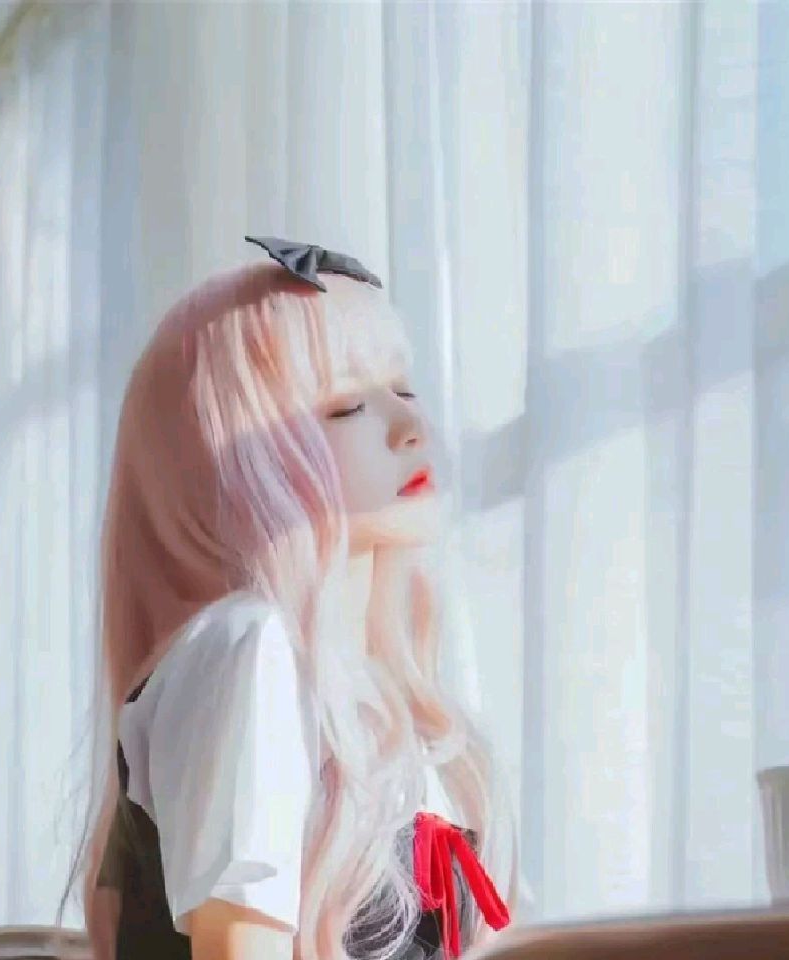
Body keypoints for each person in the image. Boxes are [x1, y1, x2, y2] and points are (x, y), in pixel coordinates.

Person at [52, 238, 520, 960]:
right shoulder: (252, 647)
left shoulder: (385, 712)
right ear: (230, 462)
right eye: (346, 407)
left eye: (404, 391)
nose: (409, 429)